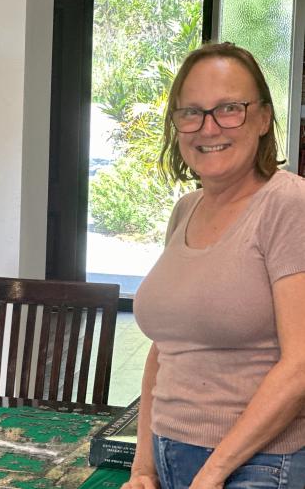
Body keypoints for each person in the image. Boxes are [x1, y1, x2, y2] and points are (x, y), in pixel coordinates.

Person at [123, 42, 305, 489]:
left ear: (263, 118)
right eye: (192, 112)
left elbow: (300, 365)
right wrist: (142, 466)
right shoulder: (186, 209)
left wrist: (213, 473)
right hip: (170, 456)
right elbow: (165, 348)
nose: (209, 127)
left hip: (260, 465)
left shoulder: (289, 203)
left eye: (229, 109)